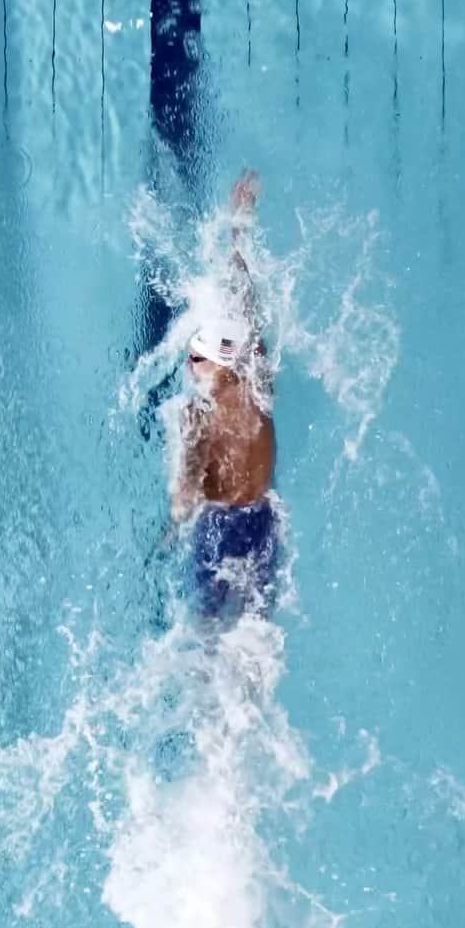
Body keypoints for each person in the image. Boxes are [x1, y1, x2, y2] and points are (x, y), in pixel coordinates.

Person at [171, 172, 278, 619]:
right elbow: (245, 298)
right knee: (257, 633)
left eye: (196, 359)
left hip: (220, 530)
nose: (189, 367)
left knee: (205, 632)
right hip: (265, 522)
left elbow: (183, 503)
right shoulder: (258, 384)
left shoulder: (197, 413)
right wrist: (241, 225)